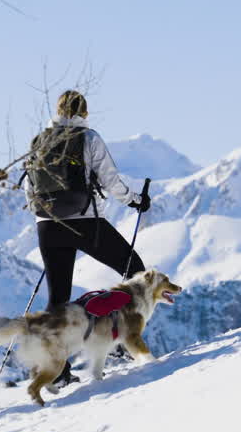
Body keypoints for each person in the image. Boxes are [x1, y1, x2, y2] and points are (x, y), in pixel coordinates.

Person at [25, 90, 151, 383]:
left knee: (58, 299)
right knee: (135, 270)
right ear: (85, 112)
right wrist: (134, 200)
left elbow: (29, 186)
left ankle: (55, 371)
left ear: (57, 111)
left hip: (47, 224)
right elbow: (110, 179)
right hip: (84, 221)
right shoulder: (89, 138)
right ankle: (120, 339)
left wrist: (44, 216)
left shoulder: (39, 141)